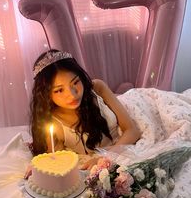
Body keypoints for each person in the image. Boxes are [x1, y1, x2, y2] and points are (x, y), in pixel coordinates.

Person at [24, 49, 140, 179]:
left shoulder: (97, 88)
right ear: (46, 95)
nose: (72, 94)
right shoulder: (55, 125)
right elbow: (57, 165)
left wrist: (105, 157)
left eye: (75, 82)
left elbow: (132, 131)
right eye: (59, 90)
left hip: (124, 143)